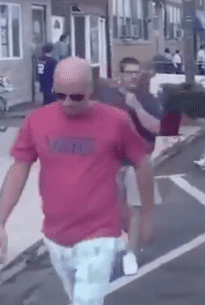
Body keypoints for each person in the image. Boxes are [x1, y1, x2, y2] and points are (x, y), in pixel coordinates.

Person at [0, 57, 153, 304]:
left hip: (99, 234)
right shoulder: (36, 121)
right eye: (61, 96)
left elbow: (142, 164)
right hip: (55, 236)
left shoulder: (116, 121)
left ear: (90, 90)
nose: (68, 103)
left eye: (76, 97)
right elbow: (19, 169)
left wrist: (147, 216)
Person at [95, 57, 163, 275]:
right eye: (130, 72)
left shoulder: (149, 99)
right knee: (114, 211)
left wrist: (137, 108)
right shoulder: (107, 96)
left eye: (138, 72)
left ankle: (130, 255)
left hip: (137, 163)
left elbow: (158, 128)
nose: (135, 76)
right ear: (120, 75)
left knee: (134, 210)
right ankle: (116, 243)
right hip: (109, 163)